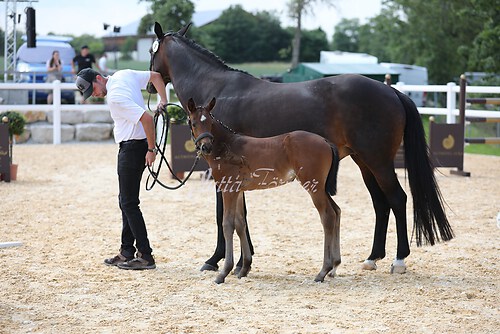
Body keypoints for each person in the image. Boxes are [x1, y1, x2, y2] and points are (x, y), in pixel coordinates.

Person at [75, 68, 168, 270]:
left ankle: (145, 255)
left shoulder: (115, 97)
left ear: (98, 78)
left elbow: (147, 119)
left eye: (94, 90)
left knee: (128, 202)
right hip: (137, 145)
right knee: (126, 200)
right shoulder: (123, 74)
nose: (95, 95)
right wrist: (163, 100)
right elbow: (156, 76)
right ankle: (127, 251)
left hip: (132, 148)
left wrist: (152, 149)